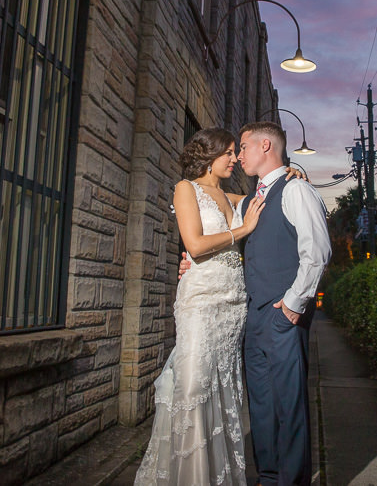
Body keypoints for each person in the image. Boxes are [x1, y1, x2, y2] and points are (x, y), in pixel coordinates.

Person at [182, 121, 331, 486]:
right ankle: (267, 476)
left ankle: (292, 481)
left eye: (243, 147)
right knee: (262, 405)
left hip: (283, 315)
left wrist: (293, 305)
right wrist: (193, 259)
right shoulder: (249, 200)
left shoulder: (296, 190)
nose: (238, 156)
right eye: (232, 151)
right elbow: (218, 232)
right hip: (252, 317)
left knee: (290, 404)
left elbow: (317, 252)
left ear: (265, 146)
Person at [135, 127, 265, 485]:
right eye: (230, 153)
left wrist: (290, 173)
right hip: (200, 299)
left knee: (222, 390)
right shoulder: (185, 189)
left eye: (237, 152)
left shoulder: (231, 196)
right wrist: (244, 230)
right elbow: (193, 245)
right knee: (193, 386)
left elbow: (269, 196)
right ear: (210, 156)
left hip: (233, 302)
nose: (236, 159)